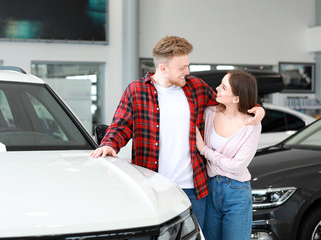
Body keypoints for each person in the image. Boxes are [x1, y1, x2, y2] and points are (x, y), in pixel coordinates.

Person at [90, 36, 265, 228]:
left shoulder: (196, 87)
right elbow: (120, 126)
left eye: (188, 66)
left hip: (194, 189)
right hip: (152, 187)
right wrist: (109, 144)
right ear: (163, 68)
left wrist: (256, 107)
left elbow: (230, 101)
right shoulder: (136, 91)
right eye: (182, 68)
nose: (187, 72)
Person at [195, 70, 262, 239]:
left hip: (237, 192)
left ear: (236, 98)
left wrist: (204, 150)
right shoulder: (209, 113)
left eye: (223, 87)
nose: (217, 88)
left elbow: (238, 166)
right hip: (209, 189)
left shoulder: (252, 125)